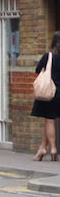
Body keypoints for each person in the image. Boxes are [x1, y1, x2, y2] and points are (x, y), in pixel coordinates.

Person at [31, 31, 60, 161]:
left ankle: (53, 148)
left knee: (49, 120)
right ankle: (42, 148)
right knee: (49, 121)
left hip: (49, 92)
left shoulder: (49, 57)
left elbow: (38, 70)